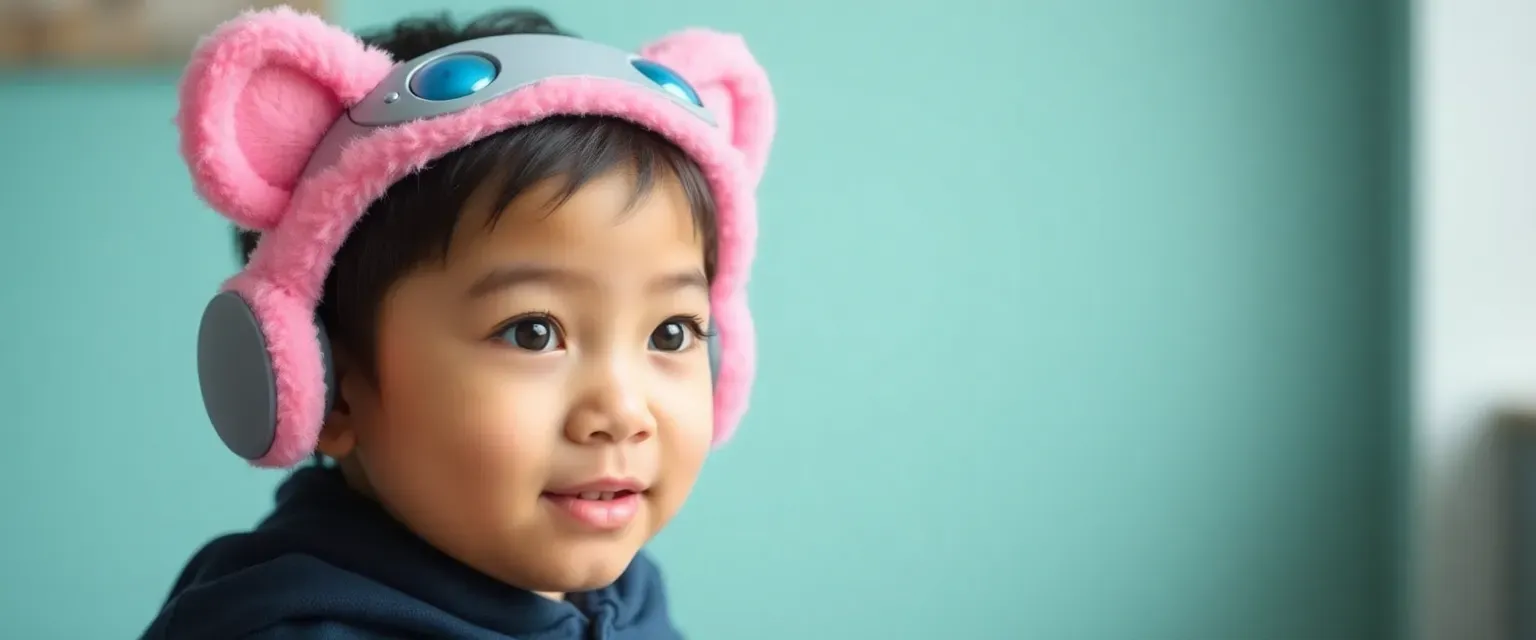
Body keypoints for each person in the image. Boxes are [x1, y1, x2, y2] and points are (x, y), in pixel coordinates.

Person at [140, 5, 774, 638]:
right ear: (327, 386)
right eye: (533, 332)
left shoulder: (628, 599)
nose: (623, 414)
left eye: (671, 333)